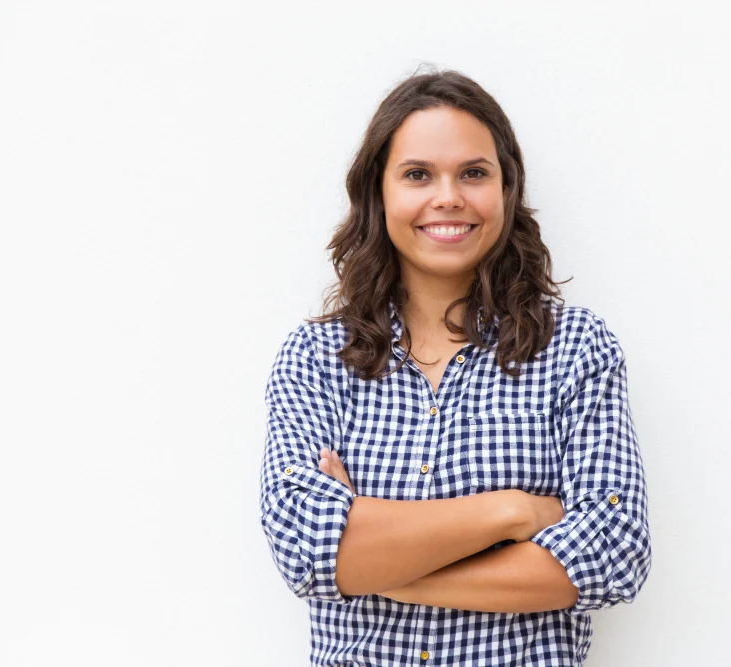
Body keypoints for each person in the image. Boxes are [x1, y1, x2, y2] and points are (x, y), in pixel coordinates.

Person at [259, 67, 652, 666]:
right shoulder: (316, 360)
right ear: (379, 193)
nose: (448, 197)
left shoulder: (575, 348)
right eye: (418, 174)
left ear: (506, 190)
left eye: (473, 173)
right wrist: (513, 511)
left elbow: (610, 554)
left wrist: (383, 569)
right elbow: (308, 550)